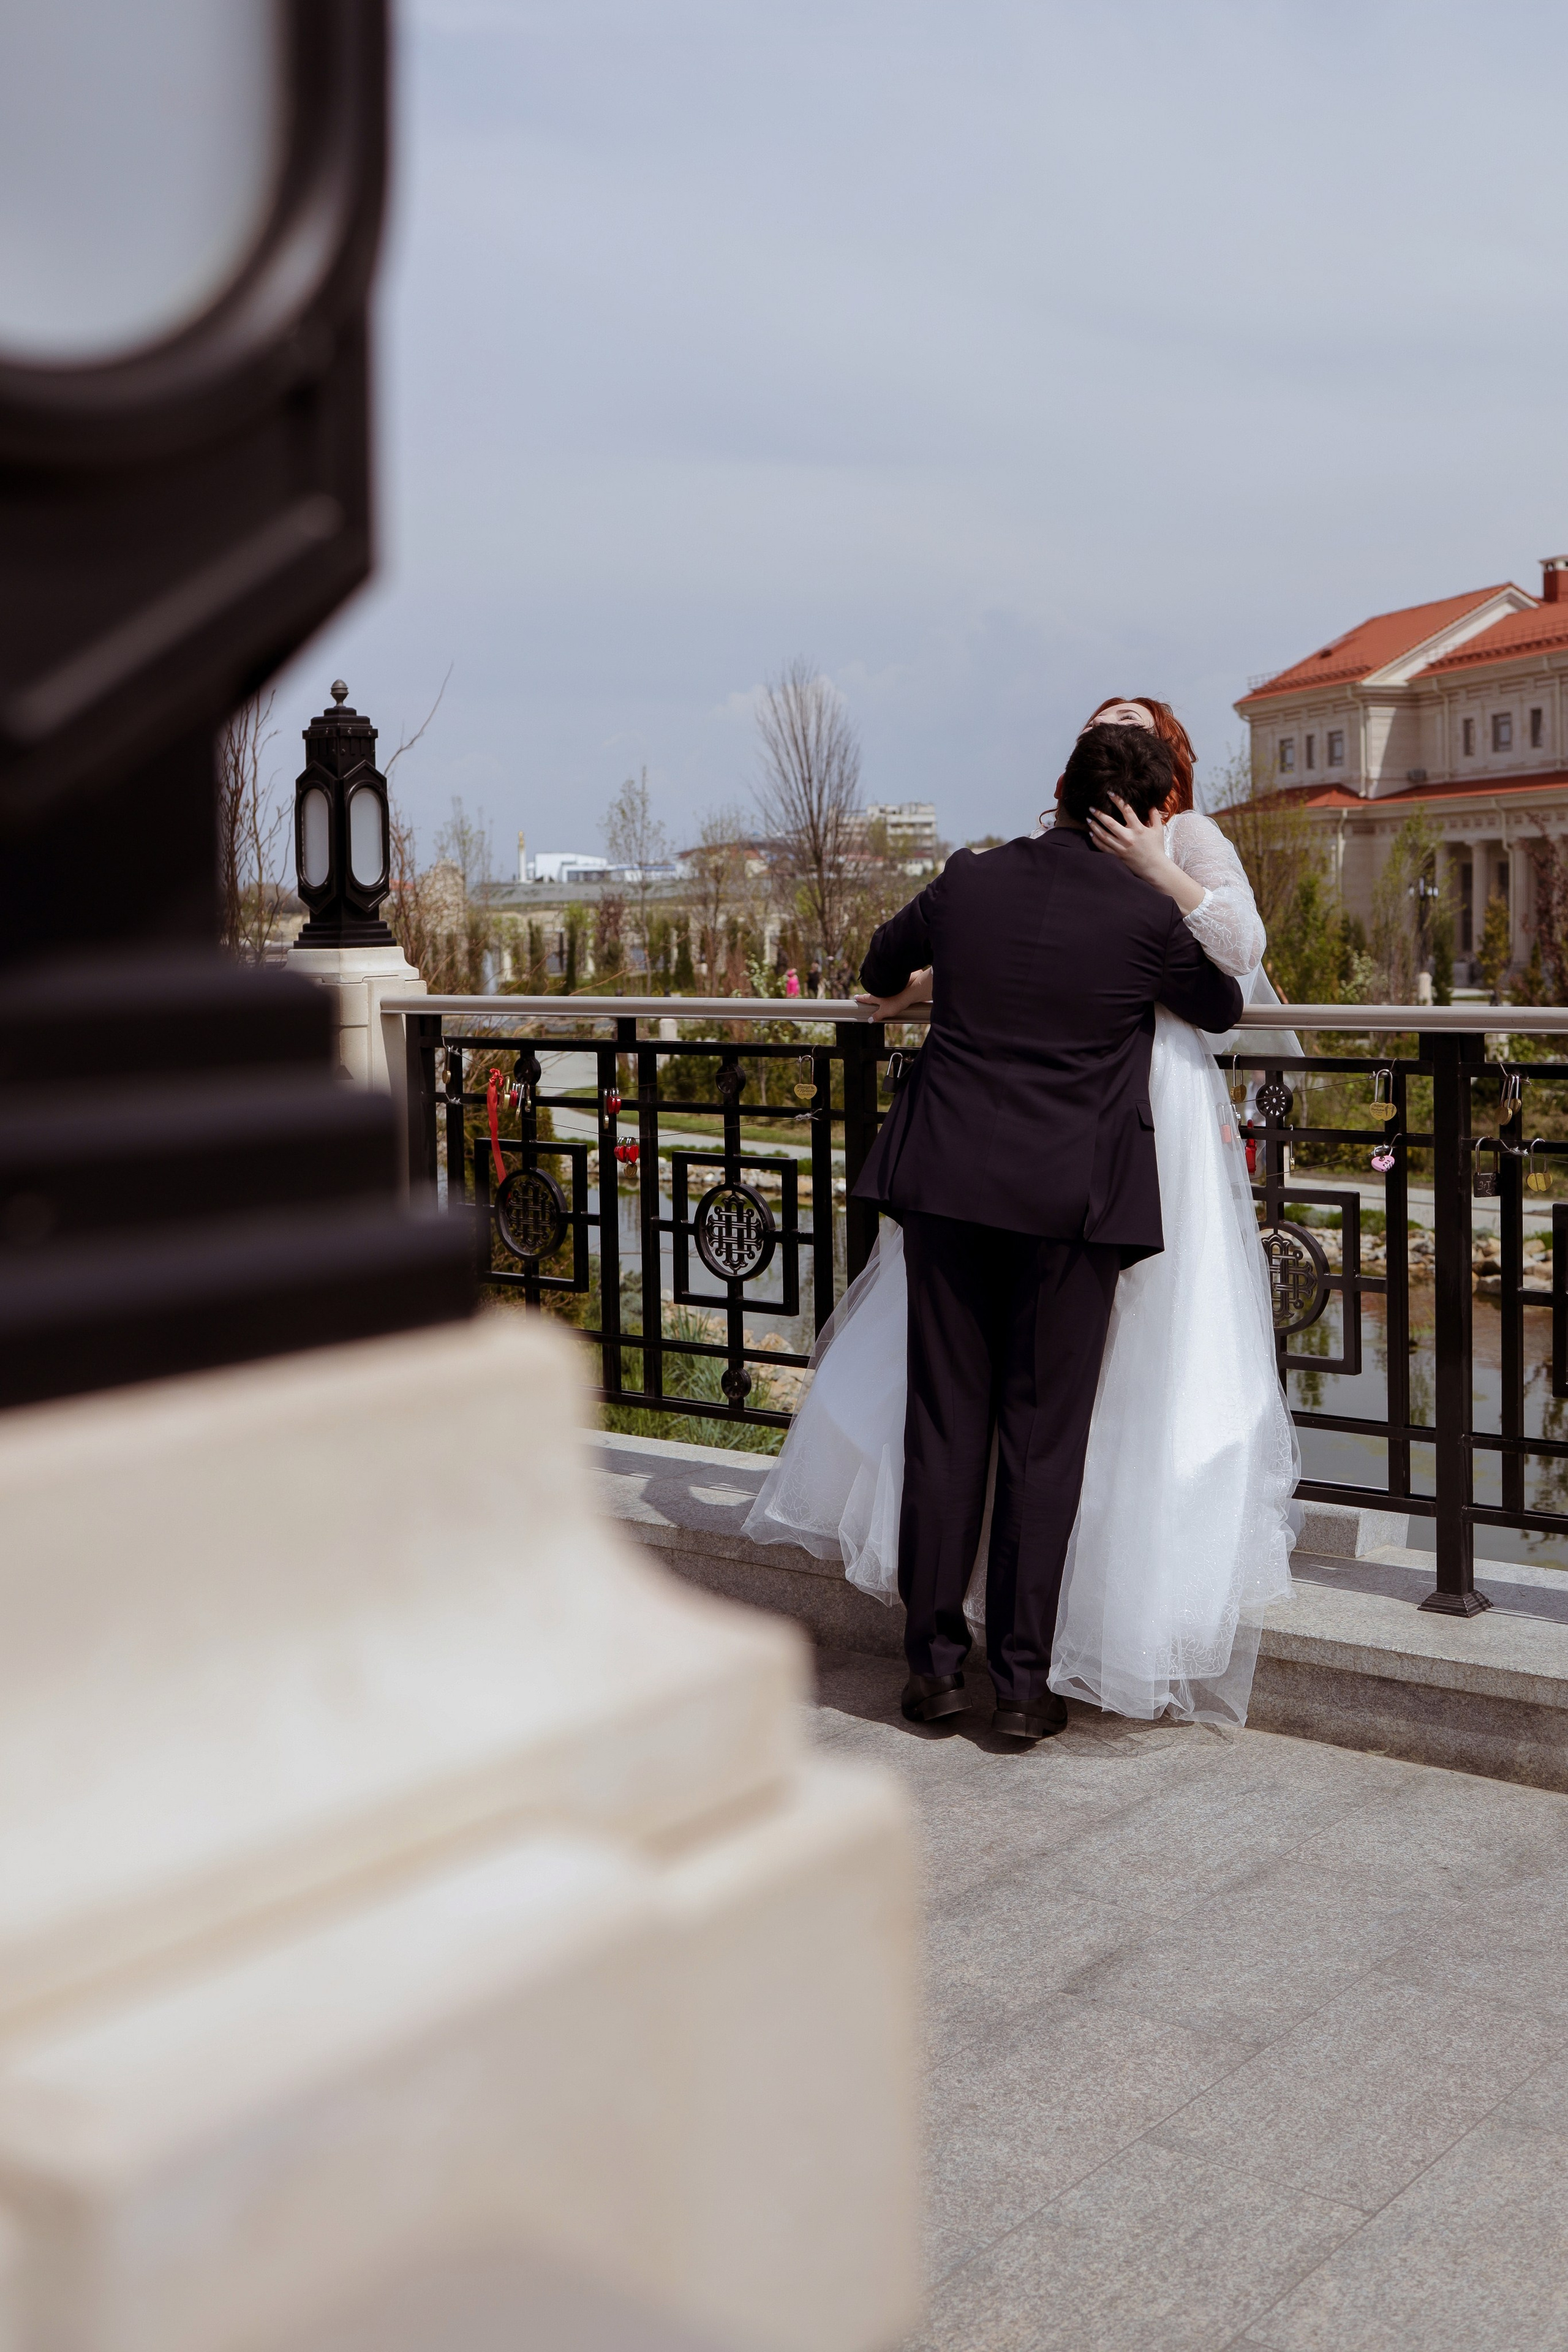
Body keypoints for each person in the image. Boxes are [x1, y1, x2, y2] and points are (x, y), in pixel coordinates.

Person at [745, 698, 1298, 1736]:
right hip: (1070, 1205)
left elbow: (878, 966)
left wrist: (923, 986)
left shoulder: (971, 879)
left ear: (1063, 794)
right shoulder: (1146, 920)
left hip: (947, 1186)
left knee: (944, 1426)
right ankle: (1020, 1688)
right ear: (1154, 812)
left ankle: (932, 1672)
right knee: (1043, 1443)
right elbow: (1225, 1007)